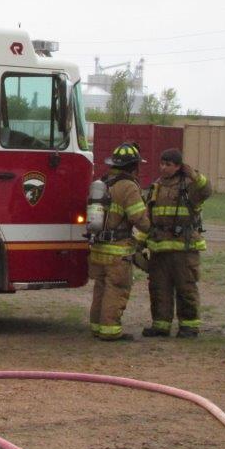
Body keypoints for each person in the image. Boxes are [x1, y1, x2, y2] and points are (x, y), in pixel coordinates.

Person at [142, 148, 213, 338]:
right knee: (159, 288)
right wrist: (141, 243)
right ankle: (160, 325)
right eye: (162, 163)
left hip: (184, 248)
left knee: (185, 288)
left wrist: (194, 175)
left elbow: (207, 190)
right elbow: (148, 215)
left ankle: (188, 327)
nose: (163, 168)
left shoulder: (189, 185)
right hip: (159, 248)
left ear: (178, 166)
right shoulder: (156, 186)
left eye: (168, 165)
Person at [88, 142, 151, 341]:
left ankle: (97, 326)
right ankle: (110, 331)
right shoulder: (128, 186)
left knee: (101, 288)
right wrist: (154, 230)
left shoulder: (103, 182)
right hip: (117, 251)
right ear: (134, 166)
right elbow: (138, 218)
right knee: (116, 289)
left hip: (98, 248)